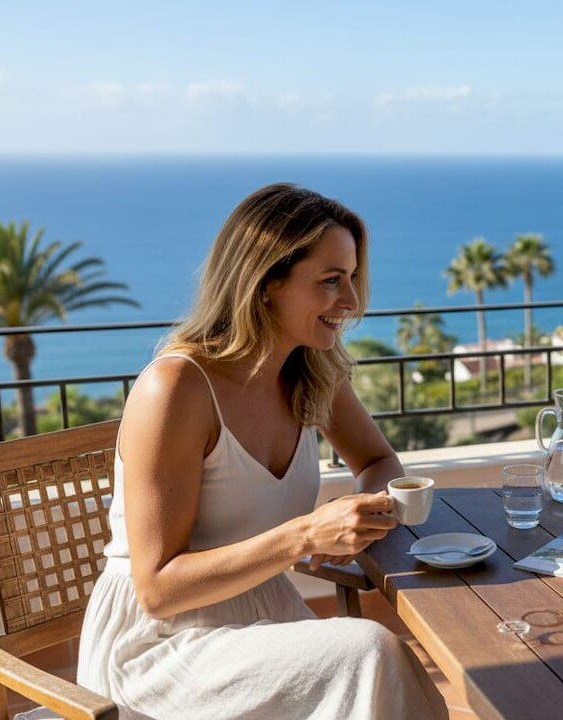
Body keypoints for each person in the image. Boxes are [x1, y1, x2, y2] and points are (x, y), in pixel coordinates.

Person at [77, 184, 448, 719]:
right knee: (368, 652)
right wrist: (304, 535)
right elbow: (158, 588)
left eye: (351, 279)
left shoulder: (312, 370)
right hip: (158, 646)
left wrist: (366, 513)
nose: (350, 302)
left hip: (260, 616)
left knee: (370, 661)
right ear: (266, 282)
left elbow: (378, 463)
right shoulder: (176, 388)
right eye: (330, 281)